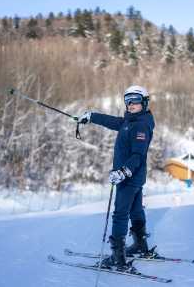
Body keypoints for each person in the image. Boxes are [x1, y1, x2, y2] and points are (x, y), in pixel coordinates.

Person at [78, 85, 155, 270]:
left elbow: (138, 155)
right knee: (136, 210)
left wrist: (122, 172)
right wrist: (92, 116)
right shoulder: (130, 121)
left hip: (128, 177)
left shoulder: (140, 125)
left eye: (135, 100)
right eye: (128, 100)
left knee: (120, 214)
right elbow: (112, 121)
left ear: (144, 102)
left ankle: (117, 258)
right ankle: (140, 246)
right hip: (134, 178)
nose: (131, 104)